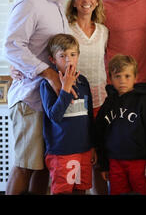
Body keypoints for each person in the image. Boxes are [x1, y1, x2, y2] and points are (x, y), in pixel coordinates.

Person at [3, 0, 72, 195]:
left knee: (43, 167)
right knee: (25, 166)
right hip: (30, 100)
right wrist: (48, 72)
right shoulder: (29, 3)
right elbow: (12, 46)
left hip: (50, 102)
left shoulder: (59, 4)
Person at [65, 0, 109, 195]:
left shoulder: (103, 31)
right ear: (73, 2)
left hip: (100, 99)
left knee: (99, 158)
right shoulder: (67, 29)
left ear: (97, 1)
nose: (86, 0)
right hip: (76, 101)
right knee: (79, 156)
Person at [96, 54, 146, 195]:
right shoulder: (108, 104)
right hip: (114, 162)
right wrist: (104, 165)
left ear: (135, 77)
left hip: (140, 162)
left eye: (127, 76)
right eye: (117, 76)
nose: (122, 81)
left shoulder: (145, 102)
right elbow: (99, 134)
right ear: (110, 78)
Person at [40, 34, 96, 195]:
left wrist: (92, 145)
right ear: (53, 59)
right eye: (62, 56)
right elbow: (55, 116)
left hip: (83, 149)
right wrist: (65, 89)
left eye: (72, 55)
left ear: (78, 56)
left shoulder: (83, 81)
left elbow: (89, 116)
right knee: (63, 190)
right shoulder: (47, 84)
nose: (68, 60)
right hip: (61, 151)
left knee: (81, 189)